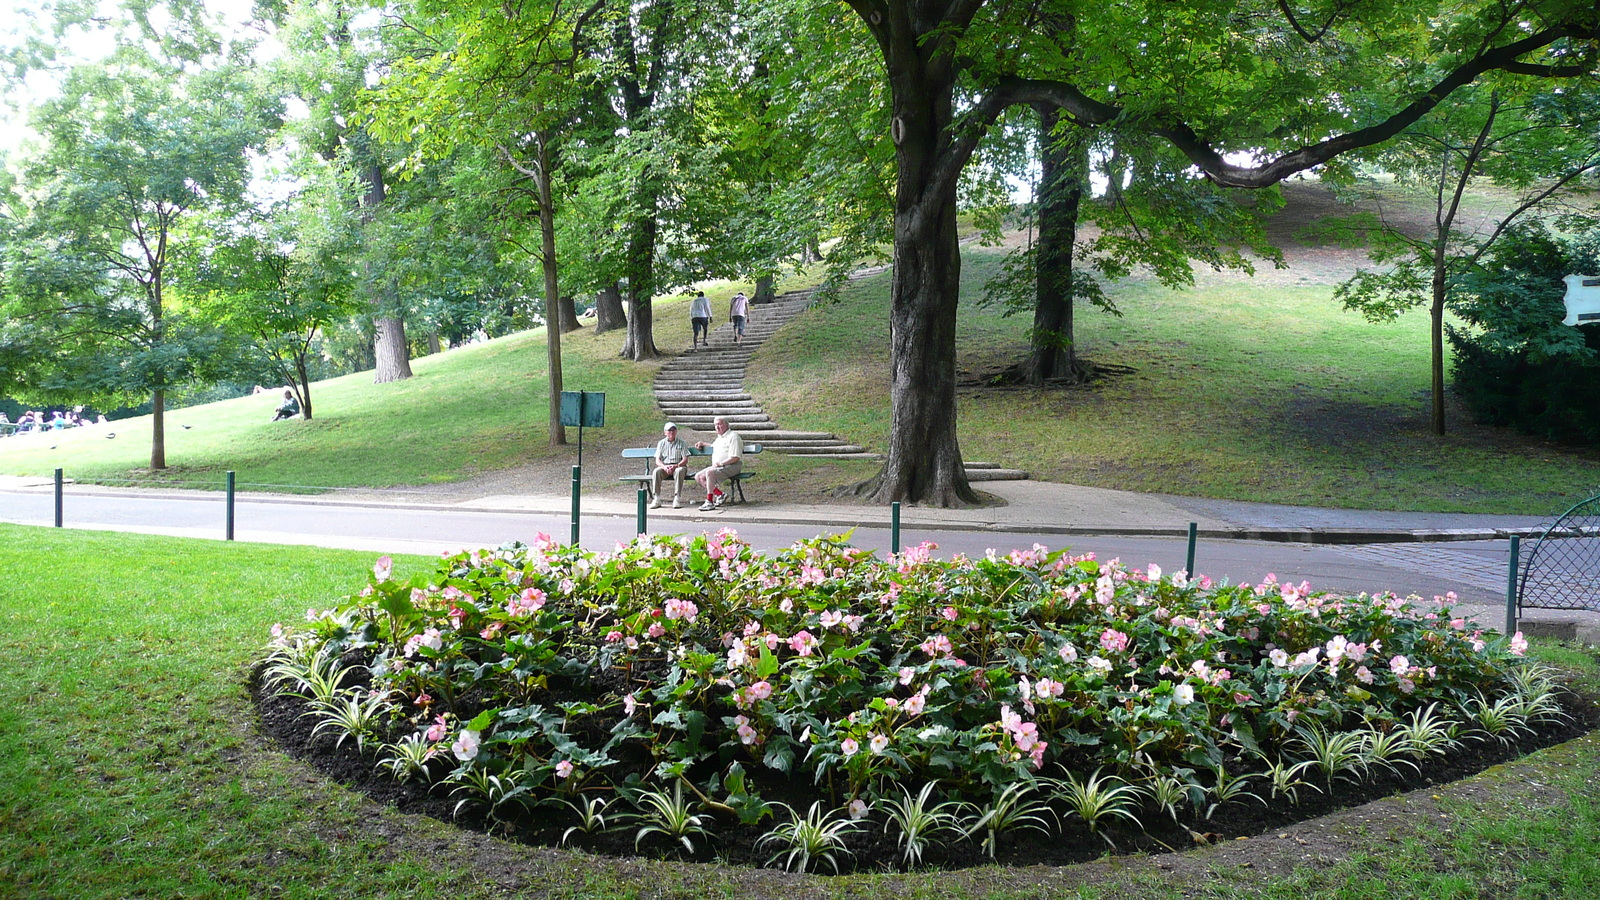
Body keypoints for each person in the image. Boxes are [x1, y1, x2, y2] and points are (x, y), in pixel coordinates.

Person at [694, 416, 743, 510]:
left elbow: (735, 457)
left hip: (732, 466)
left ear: (726, 425)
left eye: (719, 424)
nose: (717, 427)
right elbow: (714, 446)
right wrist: (703, 444)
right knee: (698, 476)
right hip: (719, 466)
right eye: (715, 425)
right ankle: (720, 495)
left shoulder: (733, 437)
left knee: (709, 473)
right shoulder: (720, 438)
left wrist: (721, 463)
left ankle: (709, 502)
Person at [650, 422, 691, 509]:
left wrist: (676, 466)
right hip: (665, 467)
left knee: (679, 471)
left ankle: (677, 497)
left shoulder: (682, 443)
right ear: (665, 432)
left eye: (673, 430)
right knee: (656, 471)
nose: (671, 432)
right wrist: (664, 467)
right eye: (669, 430)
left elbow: (685, 459)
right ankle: (656, 498)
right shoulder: (661, 443)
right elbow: (657, 460)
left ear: (676, 431)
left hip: (679, 466)